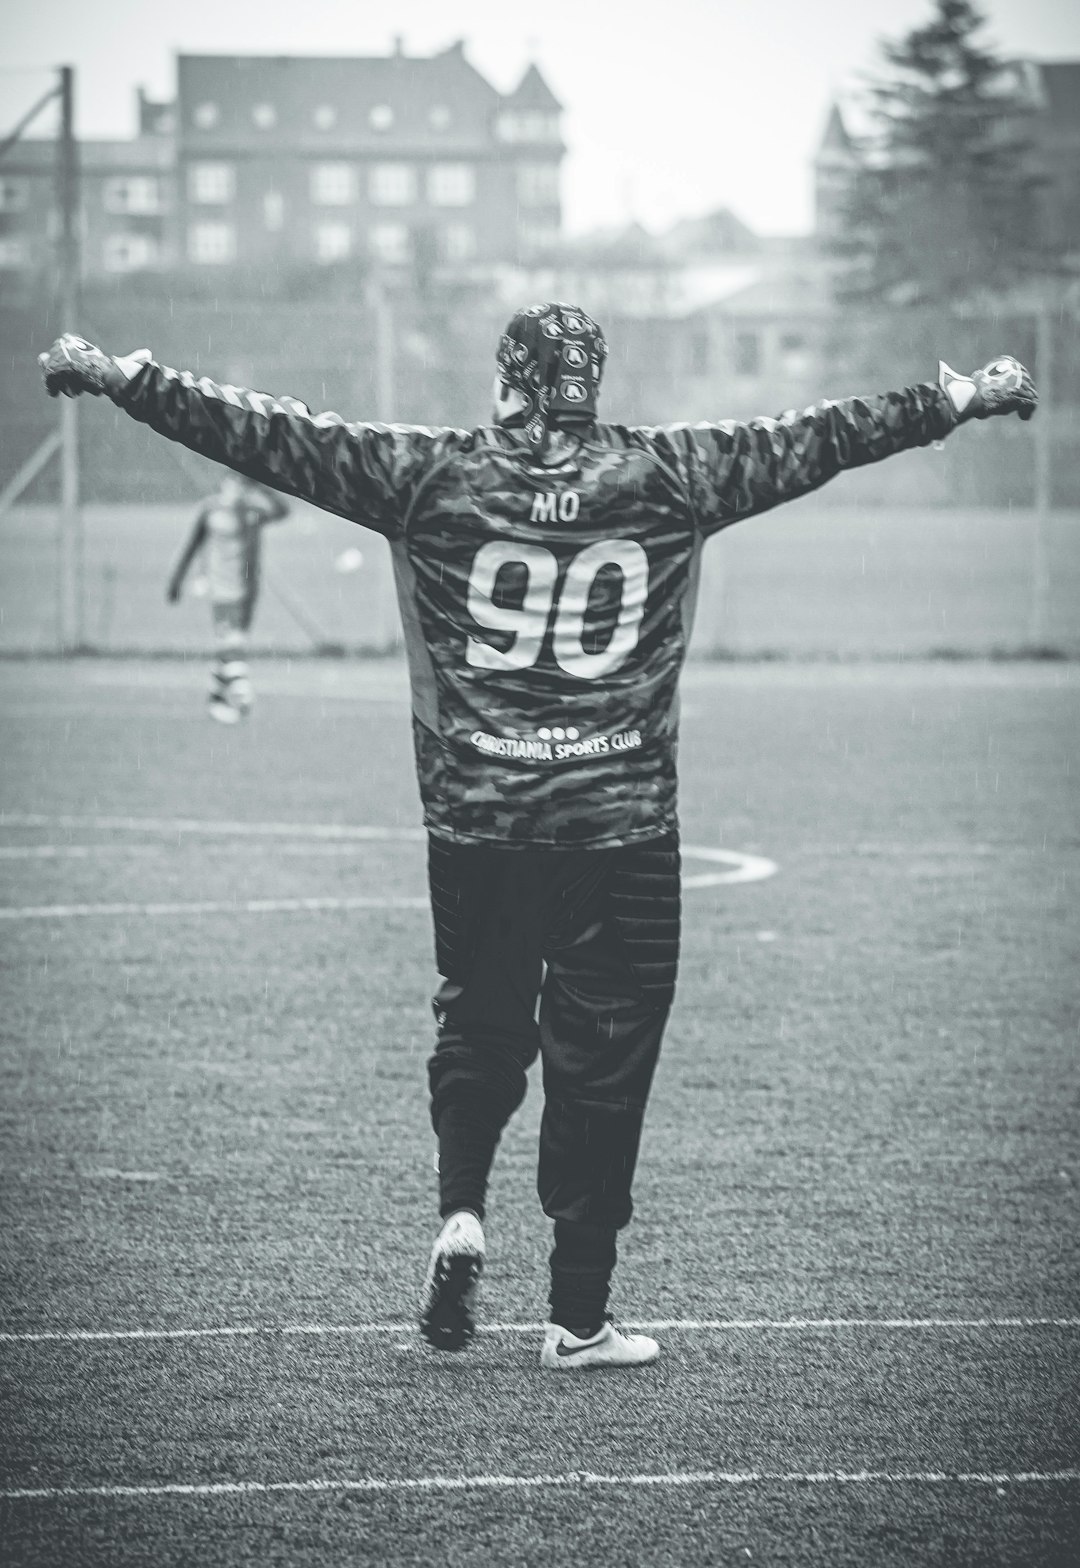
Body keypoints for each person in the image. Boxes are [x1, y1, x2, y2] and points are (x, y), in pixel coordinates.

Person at [39, 315, 1035, 1371]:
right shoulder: (669, 473)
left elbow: (266, 433)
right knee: (604, 1068)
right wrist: (957, 398)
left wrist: (123, 378)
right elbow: (821, 435)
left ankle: (461, 1211)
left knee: (477, 1022)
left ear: (507, 379)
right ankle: (577, 1319)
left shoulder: (425, 474)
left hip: (478, 819)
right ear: (592, 382)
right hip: (622, 828)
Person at [166, 470, 289, 723]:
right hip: (221, 588)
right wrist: (176, 580)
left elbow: (283, 510)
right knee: (232, 642)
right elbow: (192, 544)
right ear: (223, 484)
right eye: (232, 483)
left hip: (247, 589)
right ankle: (242, 696)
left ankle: (216, 699)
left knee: (233, 642)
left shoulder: (251, 512)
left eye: (241, 485)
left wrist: (262, 485)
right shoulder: (210, 510)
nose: (235, 490)